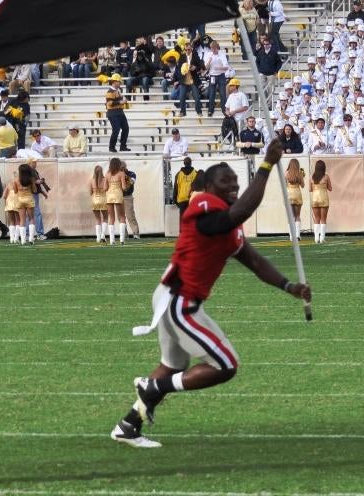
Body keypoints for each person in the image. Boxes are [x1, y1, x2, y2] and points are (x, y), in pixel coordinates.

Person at [110, 138, 311, 448]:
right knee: (225, 364)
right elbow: (239, 213)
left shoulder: (227, 220)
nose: (232, 186)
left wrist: (289, 286)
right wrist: (267, 165)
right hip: (179, 301)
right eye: (224, 181)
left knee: (174, 367)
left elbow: (254, 261)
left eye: (234, 180)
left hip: (176, 298)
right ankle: (152, 388)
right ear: (208, 186)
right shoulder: (204, 207)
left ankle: (128, 424)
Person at [106, 157, 128, 245]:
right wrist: (127, 185)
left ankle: (112, 240)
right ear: (119, 165)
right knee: (122, 217)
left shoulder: (107, 174)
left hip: (109, 196)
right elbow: (124, 187)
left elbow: (105, 188)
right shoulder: (121, 174)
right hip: (118, 195)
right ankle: (122, 239)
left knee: (111, 218)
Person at [105, 73, 130, 152]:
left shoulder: (117, 90)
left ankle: (123, 146)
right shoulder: (110, 91)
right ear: (114, 81)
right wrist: (121, 102)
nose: (120, 83)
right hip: (113, 113)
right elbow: (109, 103)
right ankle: (111, 147)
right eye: (119, 82)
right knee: (116, 130)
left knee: (126, 128)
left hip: (120, 112)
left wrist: (123, 102)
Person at [13, 163, 37, 245]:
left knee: (22, 220)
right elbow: (34, 190)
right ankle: (31, 238)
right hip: (29, 199)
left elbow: (15, 191)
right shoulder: (31, 179)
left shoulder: (16, 180)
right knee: (31, 218)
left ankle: (23, 240)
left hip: (20, 200)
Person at [309, 160, 331, 244]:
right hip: (324, 198)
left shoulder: (312, 178)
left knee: (316, 219)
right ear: (323, 168)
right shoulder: (326, 177)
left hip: (315, 198)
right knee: (323, 219)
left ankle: (316, 239)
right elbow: (330, 188)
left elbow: (310, 189)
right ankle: (322, 238)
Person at [285, 159, 305, 242]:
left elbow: (284, 184)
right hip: (297, 193)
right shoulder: (299, 173)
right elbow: (303, 185)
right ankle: (297, 235)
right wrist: (302, 177)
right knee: (297, 215)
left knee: (291, 216)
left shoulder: (286, 173)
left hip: (289, 194)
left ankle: (291, 236)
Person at [89, 164, 109, 244]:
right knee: (105, 218)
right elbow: (107, 190)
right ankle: (103, 236)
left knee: (98, 219)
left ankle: (98, 237)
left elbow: (90, 192)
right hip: (103, 200)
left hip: (95, 200)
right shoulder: (105, 180)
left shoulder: (91, 180)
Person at [122, 166, 141, 240]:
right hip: (119, 197)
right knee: (121, 217)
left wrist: (125, 176)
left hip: (128, 197)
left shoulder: (132, 174)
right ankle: (124, 234)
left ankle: (136, 233)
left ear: (124, 168)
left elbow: (131, 182)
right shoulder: (117, 174)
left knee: (130, 216)